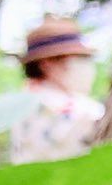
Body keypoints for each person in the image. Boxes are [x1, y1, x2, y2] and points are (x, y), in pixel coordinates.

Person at [7, 17, 102, 164]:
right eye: (77, 59)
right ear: (47, 64)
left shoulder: (72, 100)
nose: (84, 67)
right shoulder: (39, 104)